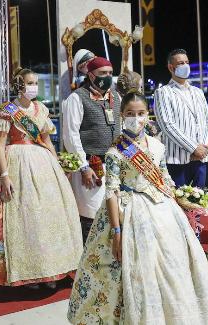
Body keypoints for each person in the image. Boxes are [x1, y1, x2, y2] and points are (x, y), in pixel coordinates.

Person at [67, 91, 208, 324]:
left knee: (172, 264)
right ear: (122, 116)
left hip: (162, 209)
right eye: (130, 114)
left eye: (141, 113)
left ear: (147, 114)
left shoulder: (156, 145)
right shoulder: (115, 151)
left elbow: (164, 178)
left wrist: (182, 198)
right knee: (137, 269)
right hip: (129, 210)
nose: (136, 118)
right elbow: (111, 192)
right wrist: (116, 231)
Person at [0, 68, 83, 289]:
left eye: (35, 82)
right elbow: (0, 145)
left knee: (45, 218)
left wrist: (57, 166)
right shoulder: (7, 110)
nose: (33, 86)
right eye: (29, 83)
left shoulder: (42, 109)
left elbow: (46, 141)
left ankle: (50, 270)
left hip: (42, 164)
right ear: (19, 85)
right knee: (23, 218)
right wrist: (5, 175)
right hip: (15, 161)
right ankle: (28, 272)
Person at [62, 57, 122, 243]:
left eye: (110, 73)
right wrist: (83, 166)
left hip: (114, 165)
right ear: (90, 75)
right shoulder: (77, 98)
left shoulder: (116, 97)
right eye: (102, 73)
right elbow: (71, 135)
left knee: (116, 214)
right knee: (91, 215)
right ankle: (87, 262)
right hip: (91, 166)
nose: (107, 77)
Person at [154, 48, 208, 188]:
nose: (185, 66)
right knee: (179, 205)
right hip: (177, 159)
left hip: (201, 158)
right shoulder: (163, 92)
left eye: (187, 62)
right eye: (180, 63)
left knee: (200, 205)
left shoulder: (198, 92)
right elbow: (167, 125)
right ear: (171, 67)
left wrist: (202, 147)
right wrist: (193, 148)